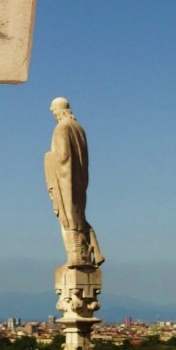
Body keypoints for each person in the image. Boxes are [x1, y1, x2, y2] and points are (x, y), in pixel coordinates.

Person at [44, 97, 104, 267]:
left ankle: (77, 256)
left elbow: (63, 156)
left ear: (59, 110)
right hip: (79, 178)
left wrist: (49, 159)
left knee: (68, 218)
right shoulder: (79, 128)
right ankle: (95, 252)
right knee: (79, 216)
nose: (54, 115)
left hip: (65, 179)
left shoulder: (62, 128)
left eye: (54, 111)